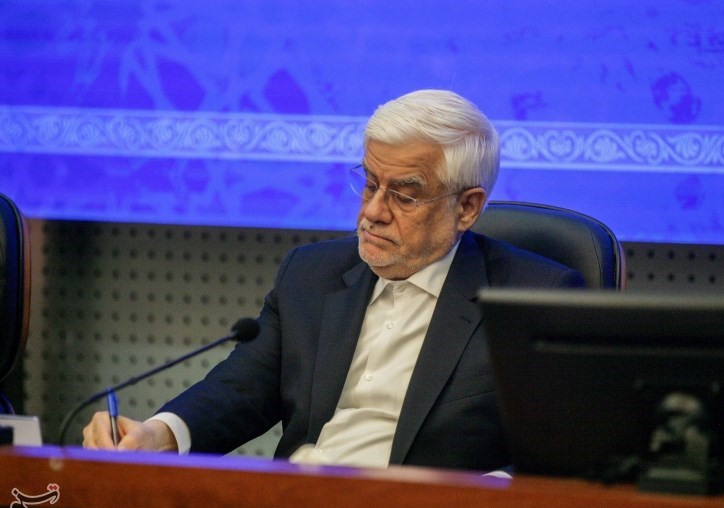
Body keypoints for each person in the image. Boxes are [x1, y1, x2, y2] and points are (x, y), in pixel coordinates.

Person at [82, 89, 585, 474]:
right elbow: (243, 387)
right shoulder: (312, 273)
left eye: (404, 196)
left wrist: (474, 502)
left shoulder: (533, 298)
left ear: (467, 208)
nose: (372, 212)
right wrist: (159, 435)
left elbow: (567, 455)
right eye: (370, 183)